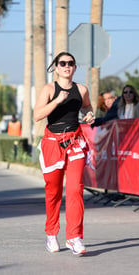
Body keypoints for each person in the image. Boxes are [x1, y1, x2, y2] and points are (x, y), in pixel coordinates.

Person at [33, 52, 95, 255]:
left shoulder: (82, 89)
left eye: (71, 63)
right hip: (53, 142)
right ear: (56, 67)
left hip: (75, 141)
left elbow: (87, 107)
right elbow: (37, 115)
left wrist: (89, 115)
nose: (67, 66)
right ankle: (51, 233)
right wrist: (57, 101)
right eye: (63, 63)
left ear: (75, 68)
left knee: (76, 189)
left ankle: (74, 237)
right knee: (53, 190)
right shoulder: (49, 89)